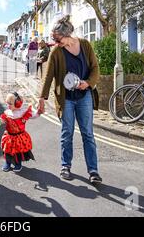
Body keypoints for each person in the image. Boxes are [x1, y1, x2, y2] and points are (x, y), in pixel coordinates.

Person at [37, 15, 103, 185]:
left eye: (57, 39)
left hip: (84, 96)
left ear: (67, 34)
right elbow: (48, 75)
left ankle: (93, 170)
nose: (55, 42)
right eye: (53, 39)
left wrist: (88, 83)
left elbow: (95, 68)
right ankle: (66, 166)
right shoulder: (56, 51)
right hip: (65, 98)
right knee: (67, 132)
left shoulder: (85, 45)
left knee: (88, 133)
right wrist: (42, 99)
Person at [0, 92, 39, 173]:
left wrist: (39, 111)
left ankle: (18, 163)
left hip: (19, 136)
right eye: (7, 103)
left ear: (18, 103)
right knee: (7, 150)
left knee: (18, 151)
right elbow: (1, 121)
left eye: (10, 103)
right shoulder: (7, 112)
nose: (8, 105)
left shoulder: (22, 112)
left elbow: (34, 115)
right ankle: (7, 162)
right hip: (9, 136)